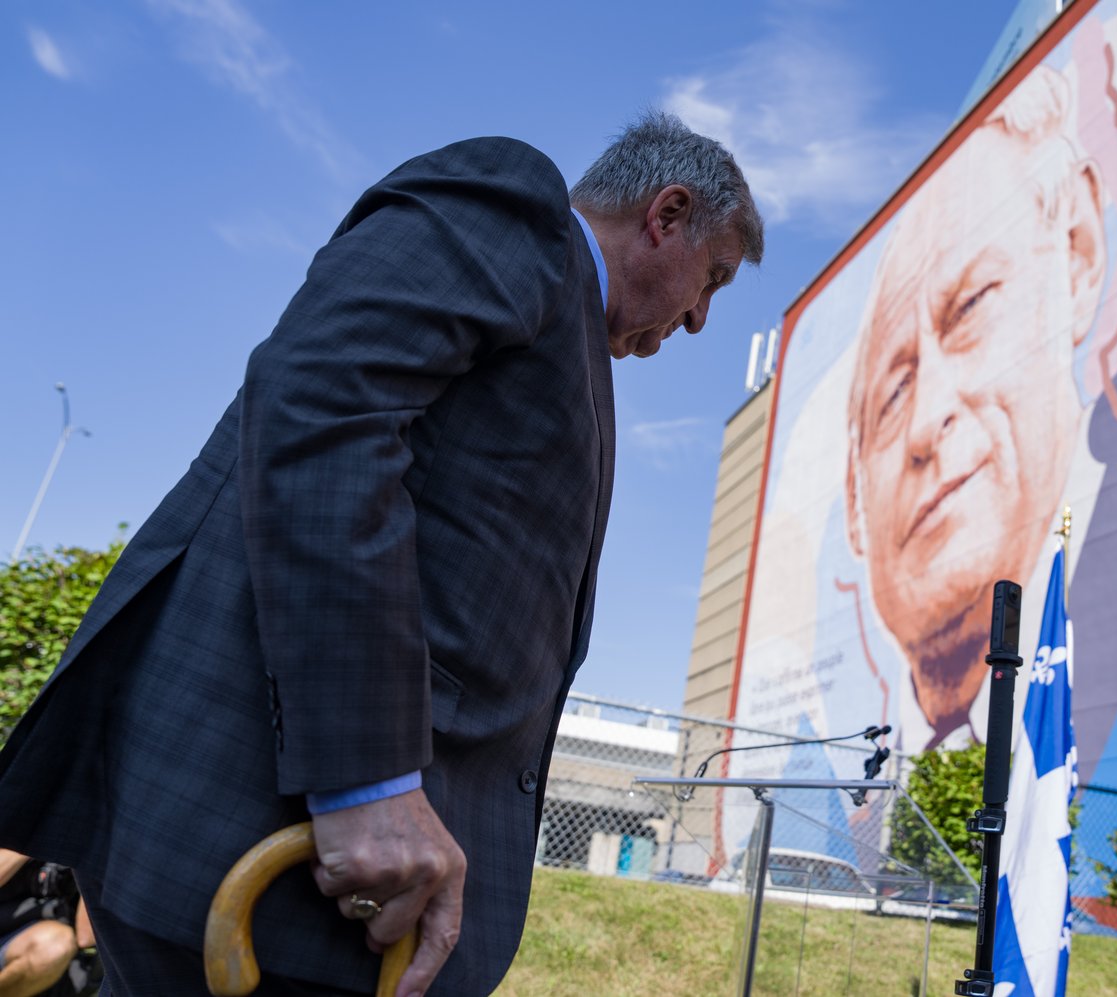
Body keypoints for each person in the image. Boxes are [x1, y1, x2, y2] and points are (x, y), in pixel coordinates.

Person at [0, 111, 762, 996]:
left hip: (332, 902)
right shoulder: (519, 207)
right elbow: (328, 405)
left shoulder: (567, 332)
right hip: (274, 860)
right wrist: (366, 780)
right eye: (711, 278)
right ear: (665, 214)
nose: (702, 318)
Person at [844, 66, 1106, 746]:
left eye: (970, 307)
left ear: (1077, 257)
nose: (927, 418)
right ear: (852, 504)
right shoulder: (830, 793)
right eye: (892, 393)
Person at [0, 850, 97, 997]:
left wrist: (95, 861)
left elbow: (86, 937)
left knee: (55, 945)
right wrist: (36, 838)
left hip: (26, 948)